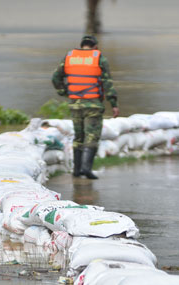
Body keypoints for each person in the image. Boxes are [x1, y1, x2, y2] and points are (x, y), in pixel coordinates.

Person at [52, 34, 119, 179]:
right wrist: (113, 104)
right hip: (93, 104)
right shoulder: (98, 57)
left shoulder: (70, 57)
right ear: (95, 46)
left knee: (78, 137)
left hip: (75, 104)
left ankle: (77, 170)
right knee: (92, 136)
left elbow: (55, 78)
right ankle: (86, 169)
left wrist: (65, 92)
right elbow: (107, 82)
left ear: (82, 44)